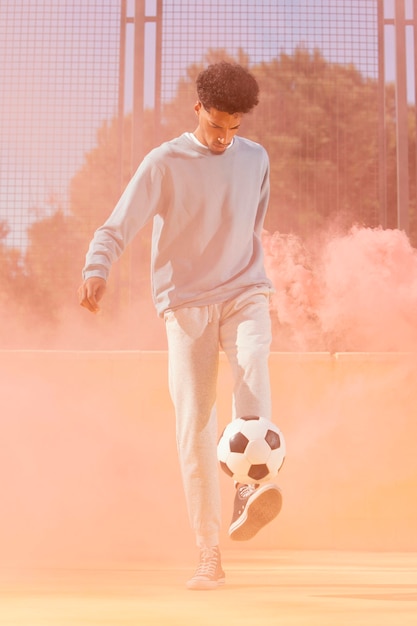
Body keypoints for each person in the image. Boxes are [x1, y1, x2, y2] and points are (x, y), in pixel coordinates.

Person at [78, 61, 282, 590]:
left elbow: (252, 223)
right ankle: (208, 552)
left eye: (234, 128)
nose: (224, 137)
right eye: (217, 124)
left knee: (254, 362)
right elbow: (119, 222)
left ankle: (248, 483)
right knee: (195, 428)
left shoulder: (256, 159)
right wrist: (97, 267)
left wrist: (240, 268)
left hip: (245, 291)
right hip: (186, 305)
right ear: (198, 109)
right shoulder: (163, 163)